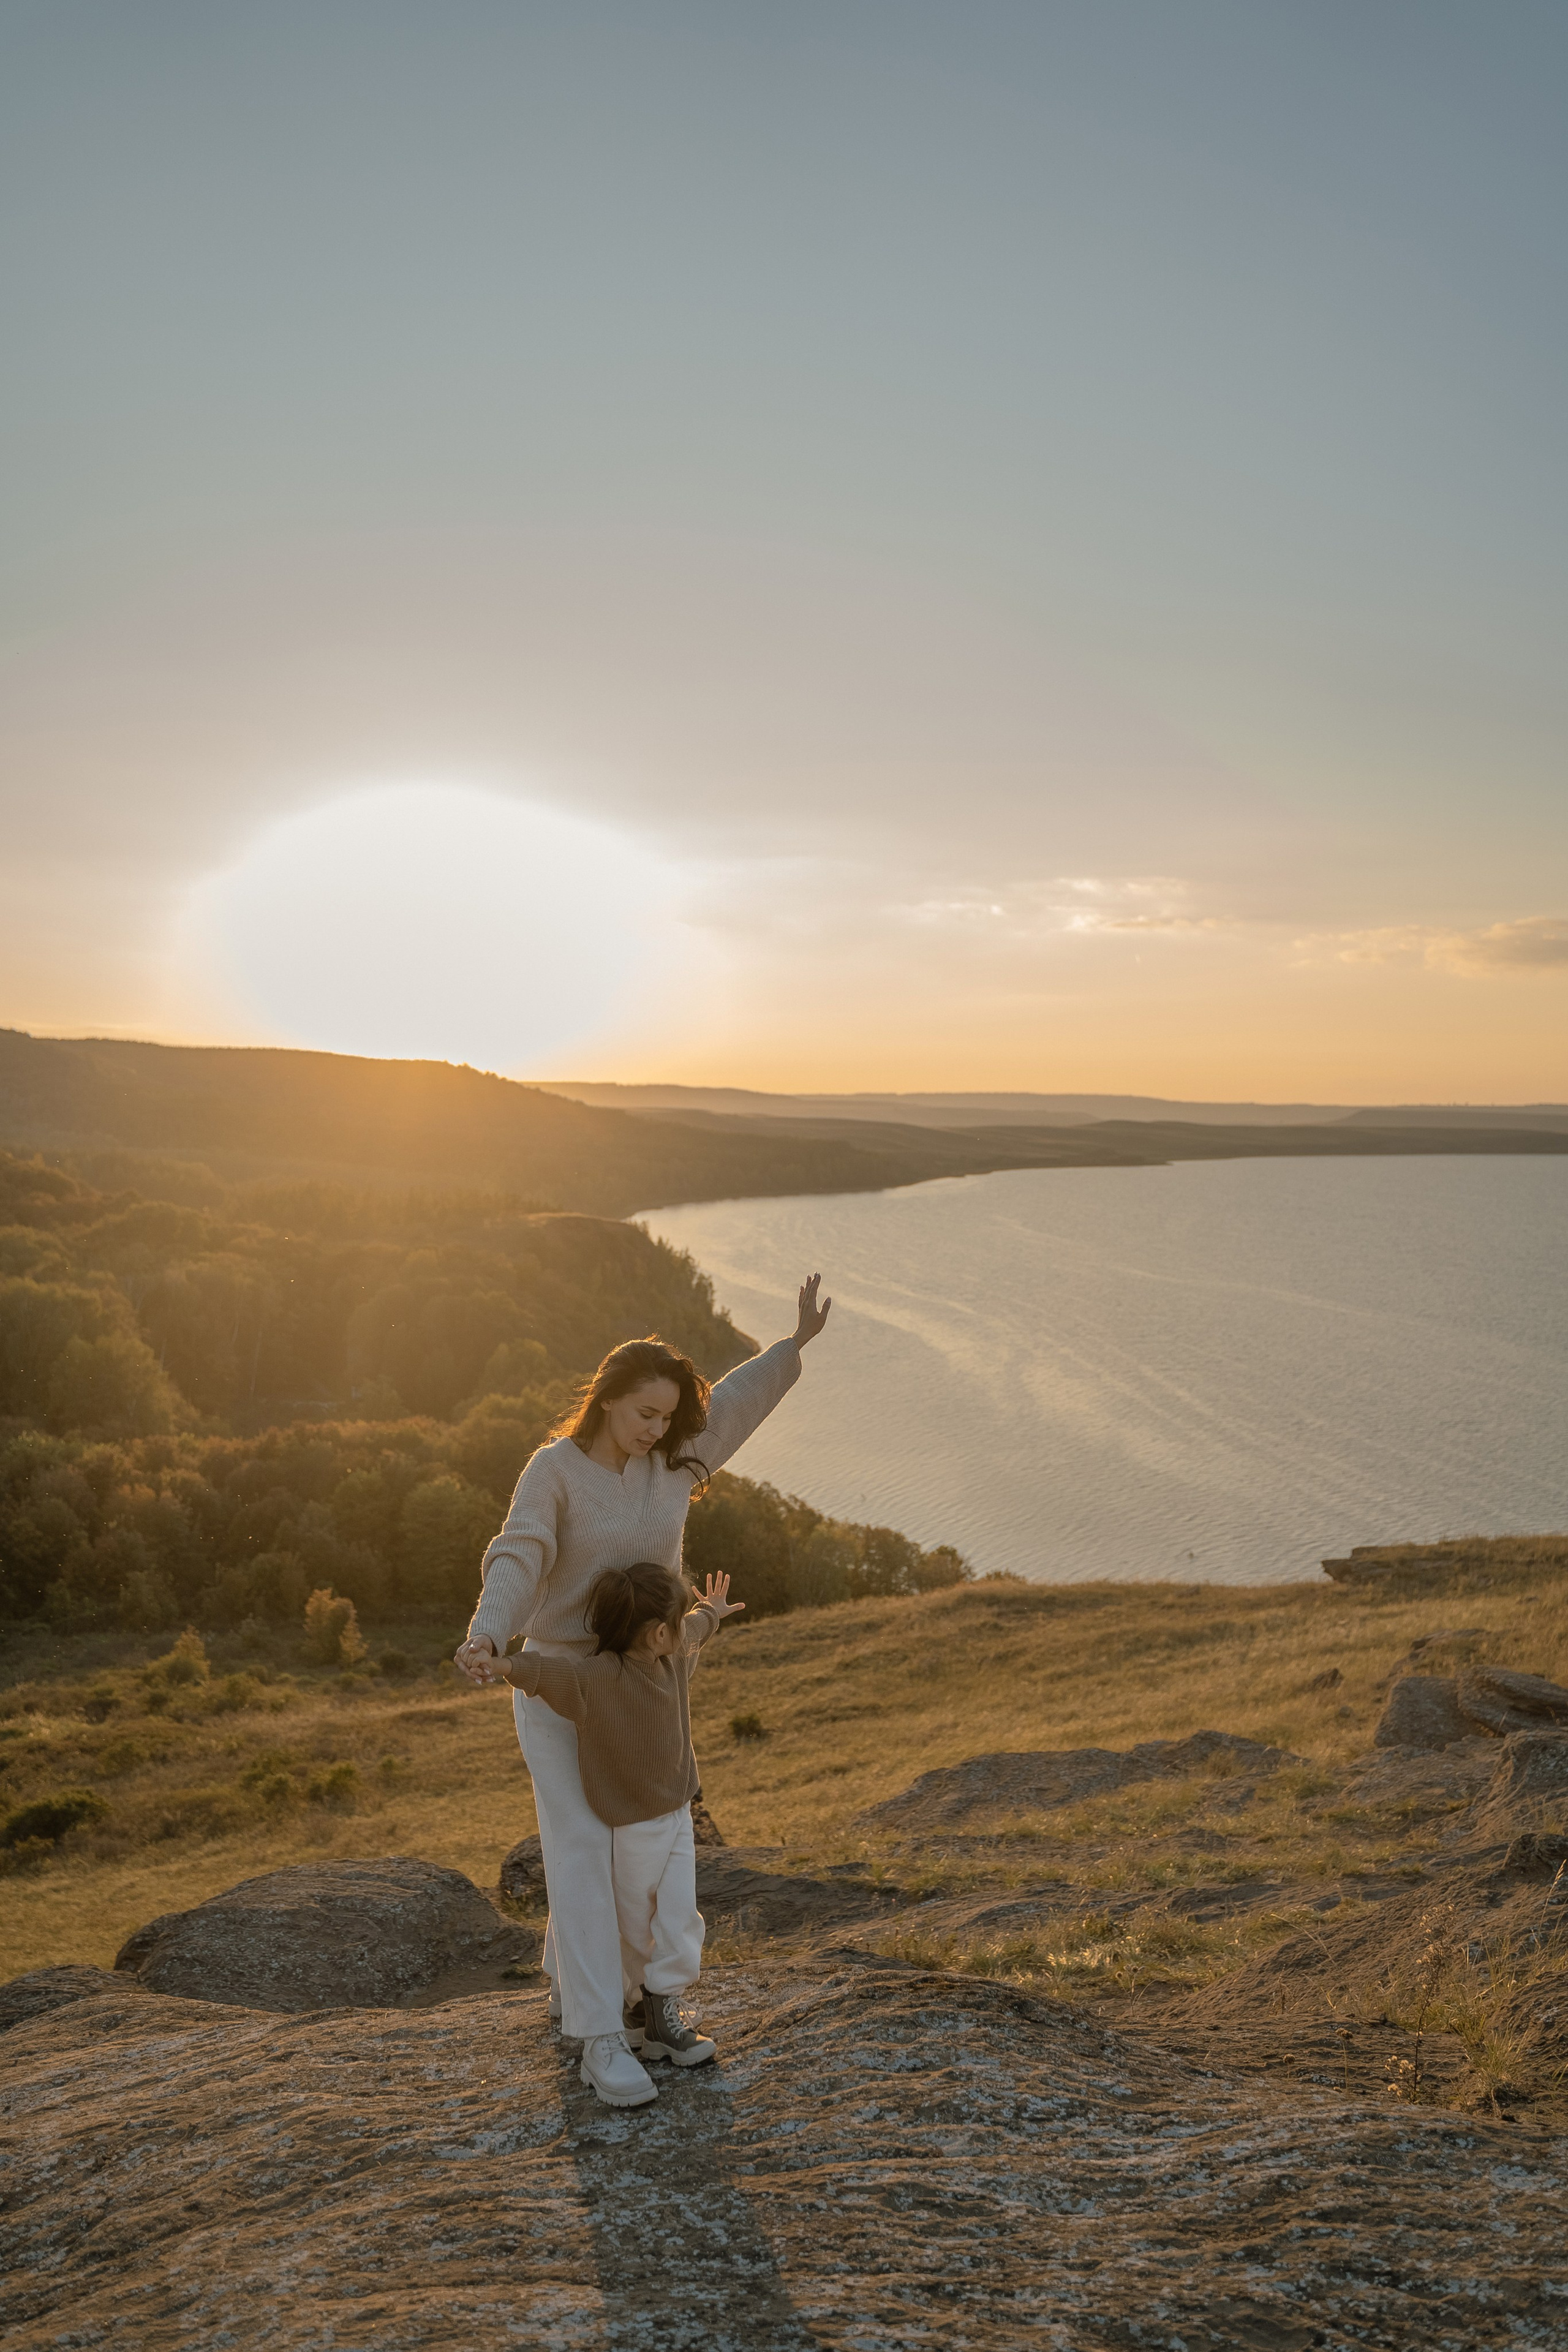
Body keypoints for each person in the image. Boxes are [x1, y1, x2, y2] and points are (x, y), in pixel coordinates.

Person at [454, 1273, 831, 2108]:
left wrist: (794, 1345)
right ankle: (598, 2035)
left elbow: (737, 1400)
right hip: (560, 1691)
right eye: (645, 1415)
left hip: (646, 1689)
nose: (658, 1430)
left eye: (668, 1417)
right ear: (606, 1400)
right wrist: (488, 1632)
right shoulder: (554, 1472)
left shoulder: (676, 1460)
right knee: (584, 1850)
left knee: (641, 1862)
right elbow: (517, 1554)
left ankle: (611, 1991)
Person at [473, 1561, 742, 2105]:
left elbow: (698, 1627)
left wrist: (712, 1610)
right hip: (632, 1827)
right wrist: (500, 1661)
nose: (682, 1630)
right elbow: (549, 1674)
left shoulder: (673, 1657)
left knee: (679, 1916)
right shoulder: (599, 1680)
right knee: (635, 1925)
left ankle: (664, 2009)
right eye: (675, 1622)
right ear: (657, 1634)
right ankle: (635, 2010)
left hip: (677, 1813)